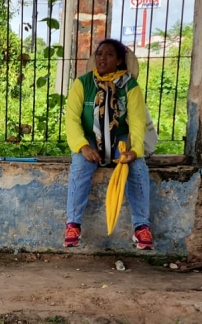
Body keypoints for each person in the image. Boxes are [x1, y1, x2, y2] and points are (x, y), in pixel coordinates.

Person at [64, 38, 154, 251]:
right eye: (99, 54)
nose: (102, 58)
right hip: (88, 138)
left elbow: (137, 121)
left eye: (109, 54)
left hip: (119, 138)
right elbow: (72, 119)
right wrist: (83, 146)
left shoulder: (130, 86)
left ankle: (141, 226)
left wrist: (135, 150)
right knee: (80, 166)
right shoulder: (83, 83)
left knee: (137, 167)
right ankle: (73, 225)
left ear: (119, 60)